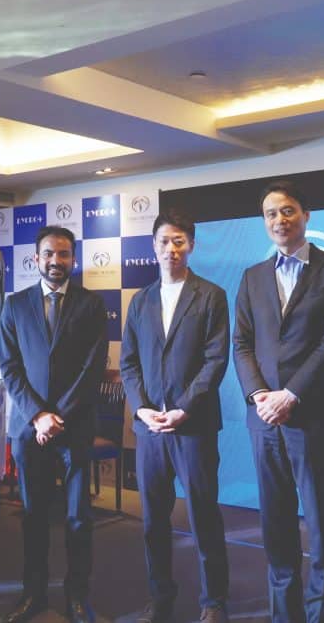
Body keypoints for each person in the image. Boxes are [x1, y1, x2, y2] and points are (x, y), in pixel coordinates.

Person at [232, 180, 324, 623]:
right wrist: (259, 395)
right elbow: (241, 343)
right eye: (270, 213)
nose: (279, 220)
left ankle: (322, 614)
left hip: (314, 416)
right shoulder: (252, 277)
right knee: (276, 524)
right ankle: (285, 614)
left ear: (306, 215)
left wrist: (291, 394)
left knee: (321, 524)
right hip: (264, 420)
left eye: (287, 211)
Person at [120, 210, 231, 623]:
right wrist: (142, 407)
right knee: (153, 522)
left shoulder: (211, 296)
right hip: (150, 430)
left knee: (204, 516)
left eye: (179, 241)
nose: (171, 248)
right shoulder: (140, 300)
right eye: (164, 241)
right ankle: (160, 598)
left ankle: (213, 602)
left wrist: (184, 408)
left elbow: (215, 361)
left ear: (191, 245)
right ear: (153, 246)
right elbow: (129, 363)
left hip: (194, 427)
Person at [0, 226, 108, 623]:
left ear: (73, 259)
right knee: (34, 517)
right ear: (36, 258)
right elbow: (9, 366)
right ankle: (33, 594)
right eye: (48, 254)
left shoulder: (91, 305)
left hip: (73, 427)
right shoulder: (14, 305)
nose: (55, 261)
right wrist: (38, 415)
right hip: (29, 430)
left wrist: (57, 416)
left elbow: (92, 367)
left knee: (78, 517)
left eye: (63, 254)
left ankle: (78, 597)